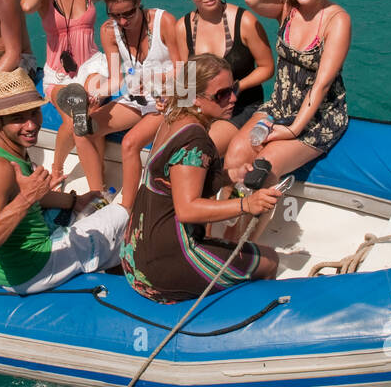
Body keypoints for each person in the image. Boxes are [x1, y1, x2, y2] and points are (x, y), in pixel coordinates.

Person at [120, 54, 281, 303]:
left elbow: (173, 179)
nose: (234, 99)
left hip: (135, 256)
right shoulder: (195, 139)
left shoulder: (173, 118)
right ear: (195, 97)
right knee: (270, 260)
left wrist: (228, 176)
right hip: (164, 266)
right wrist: (247, 205)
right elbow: (187, 209)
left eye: (233, 89)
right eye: (222, 94)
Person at [0, 69, 128, 295]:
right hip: (30, 270)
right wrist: (27, 198)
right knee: (123, 217)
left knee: (93, 209)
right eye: (18, 118)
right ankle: (125, 293)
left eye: (34, 113)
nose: (31, 125)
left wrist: (74, 201)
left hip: (13, 257)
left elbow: (21, 192)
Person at [226, 0, 352, 184]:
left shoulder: (336, 20)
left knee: (263, 170)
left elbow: (322, 85)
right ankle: (230, 218)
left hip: (317, 117)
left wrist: (293, 129)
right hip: (279, 107)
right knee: (234, 156)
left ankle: (250, 219)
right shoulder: (286, 8)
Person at [60, 0, 180, 210]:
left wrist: (156, 79)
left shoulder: (163, 21)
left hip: (167, 100)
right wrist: (99, 93)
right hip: (136, 98)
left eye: (129, 13)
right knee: (83, 129)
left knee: (129, 143)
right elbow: (116, 78)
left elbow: (185, 68)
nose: (123, 21)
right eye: (116, 16)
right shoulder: (109, 31)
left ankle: (127, 209)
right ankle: (98, 194)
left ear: (138, 2)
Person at [19, 0, 117, 184]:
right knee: (76, 119)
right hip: (58, 74)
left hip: (91, 65)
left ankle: (99, 170)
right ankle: (58, 166)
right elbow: (26, 5)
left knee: (91, 112)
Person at [175, 0, 274, 128]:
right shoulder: (183, 27)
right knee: (173, 134)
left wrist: (236, 87)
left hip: (242, 106)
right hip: (204, 108)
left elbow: (267, 68)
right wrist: (171, 102)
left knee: (208, 141)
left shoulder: (244, 22)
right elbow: (186, 77)